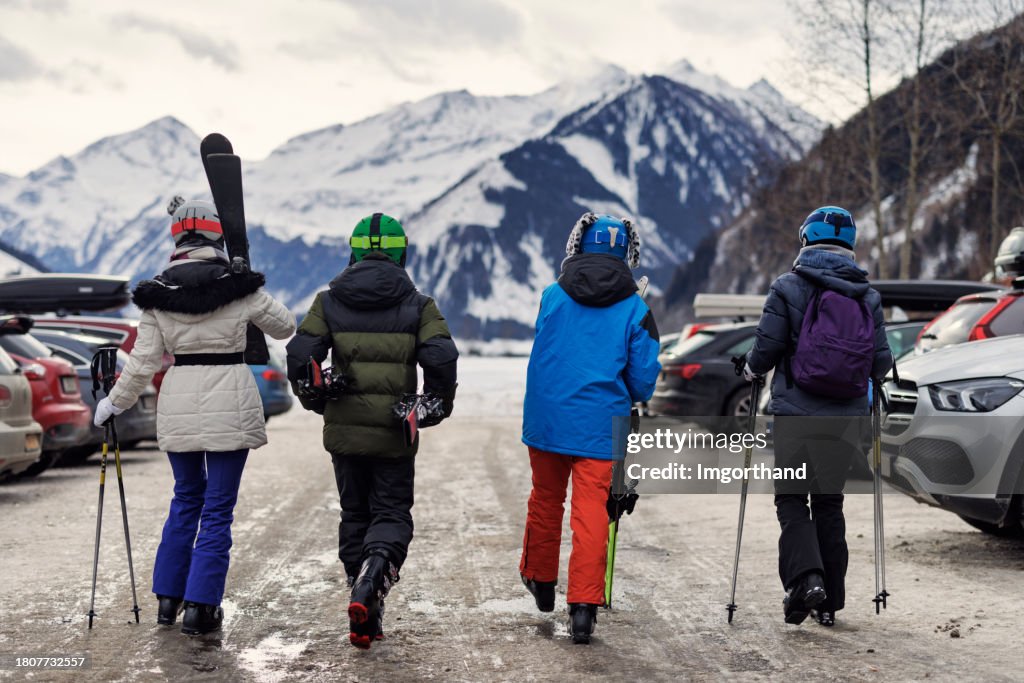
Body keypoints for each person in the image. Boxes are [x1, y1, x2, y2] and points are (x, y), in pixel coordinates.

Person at [93, 197, 296, 635]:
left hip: (180, 399)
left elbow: (142, 362)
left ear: (177, 238)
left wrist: (113, 403)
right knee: (218, 508)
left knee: (186, 497)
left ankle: (168, 600)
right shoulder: (240, 286)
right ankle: (202, 608)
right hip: (231, 399)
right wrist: (247, 279)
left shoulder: (158, 295)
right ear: (217, 235)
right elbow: (286, 326)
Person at [285, 213, 458, 650]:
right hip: (394, 432)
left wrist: (316, 399)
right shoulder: (419, 304)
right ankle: (372, 583)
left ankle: (362, 601)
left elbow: (300, 352)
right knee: (391, 515)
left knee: (355, 515)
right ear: (402, 253)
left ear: (354, 252)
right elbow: (441, 358)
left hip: (344, 432)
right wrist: (432, 407)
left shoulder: (328, 302)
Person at [744, 205, 892, 627]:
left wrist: (752, 369)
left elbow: (766, 350)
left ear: (806, 239)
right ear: (850, 246)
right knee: (829, 503)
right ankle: (831, 602)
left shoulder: (787, 286)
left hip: (796, 415)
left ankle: (808, 580)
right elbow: (881, 365)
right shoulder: (868, 295)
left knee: (792, 499)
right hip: (845, 418)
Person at [520, 213, 661, 644]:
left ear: (578, 247)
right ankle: (583, 607)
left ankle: (541, 581)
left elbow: (545, 348)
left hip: (547, 418)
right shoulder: (637, 309)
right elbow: (642, 381)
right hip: (600, 424)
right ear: (627, 254)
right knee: (591, 513)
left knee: (546, 499)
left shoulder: (551, 296)